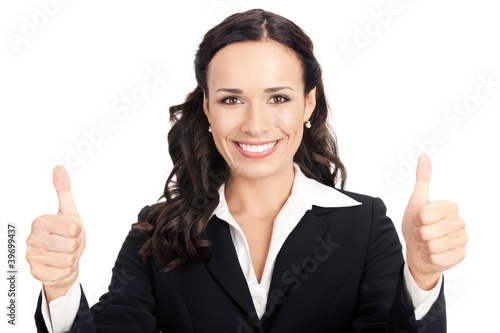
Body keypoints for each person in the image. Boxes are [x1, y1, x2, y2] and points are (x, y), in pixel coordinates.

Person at [26, 8, 467, 332]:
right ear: (207, 108)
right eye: (231, 99)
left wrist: (423, 275)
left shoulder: (367, 226)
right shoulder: (155, 233)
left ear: (308, 104)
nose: (256, 124)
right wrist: (61, 289)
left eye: (278, 98)